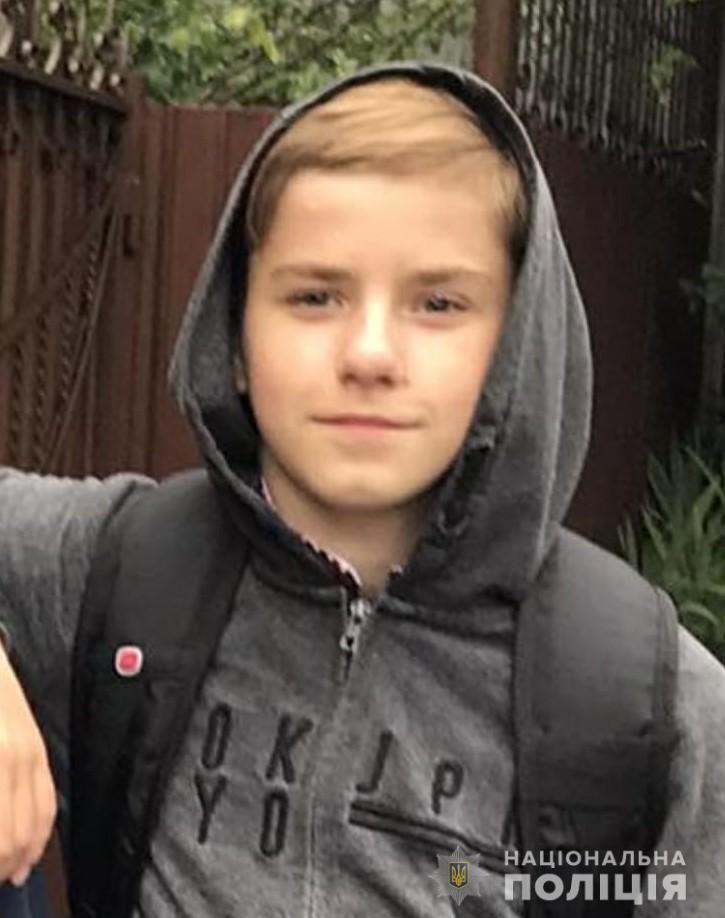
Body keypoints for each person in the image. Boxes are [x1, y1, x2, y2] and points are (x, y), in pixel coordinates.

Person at [0, 61, 724, 917]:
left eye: (437, 304)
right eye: (314, 296)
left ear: (514, 347)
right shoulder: (110, 572)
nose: (369, 354)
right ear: (235, 336)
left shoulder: (655, 711)